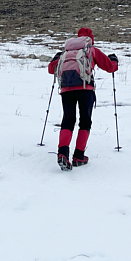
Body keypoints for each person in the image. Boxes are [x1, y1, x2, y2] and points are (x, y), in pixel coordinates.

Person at [48, 27, 118, 170]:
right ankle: (78, 156)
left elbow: (51, 69)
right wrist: (114, 60)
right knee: (85, 122)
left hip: (66, 89)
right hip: (86, 89)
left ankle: (62, 153)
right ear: (90, 39)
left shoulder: (66, 53)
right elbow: (110, 67)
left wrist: (56, 58)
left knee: (68, 120)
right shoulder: (91, 50)